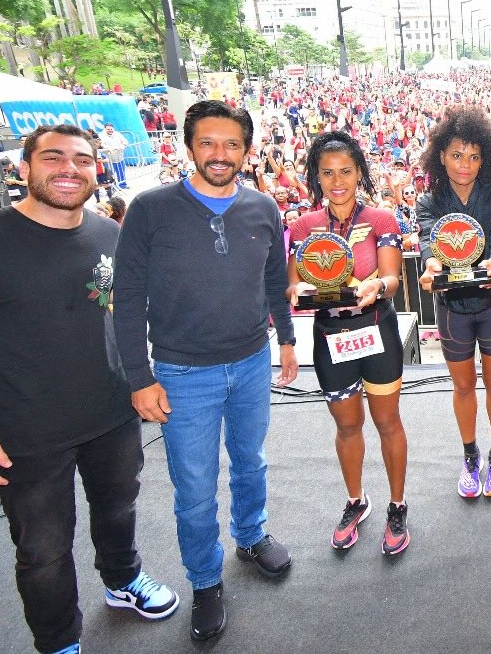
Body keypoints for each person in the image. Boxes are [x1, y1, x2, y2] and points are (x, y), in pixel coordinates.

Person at [0, 125, 178, 654]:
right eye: (53, 157)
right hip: (23, 434)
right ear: (23, 167)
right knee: (44, 550)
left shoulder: (108, 234)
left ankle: (123, 582)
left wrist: (141, 379)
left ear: (96, 170)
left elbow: (120, 315)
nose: (69, 169)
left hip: (111, 415)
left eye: (82, 160)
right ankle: (58, 641)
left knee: (119, 510)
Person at [114, 101, 298, 642]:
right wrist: (138, 377)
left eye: (232, 144)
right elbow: (126, 300)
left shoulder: (264, 207)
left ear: (247, 149)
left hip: (251, 362)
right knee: (194, 487)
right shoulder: (149, 210)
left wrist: (286, 338)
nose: (220, 155)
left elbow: (273, 284)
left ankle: (251, 535)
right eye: (209, 143)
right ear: (188, 146)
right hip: (180, 373)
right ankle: (204, 580)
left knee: (251, 461)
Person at [289, 131, 411, 556]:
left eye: (345, 171)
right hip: (330, 337)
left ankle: (398, 506)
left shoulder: (382, 220)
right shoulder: (303, 227)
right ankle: (356, 501)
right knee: (347, 426)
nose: (337, 180)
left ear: (359, 172)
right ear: (316, 177)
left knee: (388, 422)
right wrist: (298, 292)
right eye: (327, 173)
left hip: (376, 331)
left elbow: (392, 280)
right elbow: (295, 287)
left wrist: (378, 283)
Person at [415, 106, 491, 500]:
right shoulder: (428, 200)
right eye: (457, 155)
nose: (465, 165)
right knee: (463, 386)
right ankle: (470, 455)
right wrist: (431, 262)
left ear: (485, 158)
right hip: (452, 308)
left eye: (474, 156)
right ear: (441, 156)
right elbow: (426, 240)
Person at [99, 124, 130, 190]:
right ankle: (113, 186)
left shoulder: (118, 134)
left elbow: (125, 141)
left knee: (121, 171)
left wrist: (123, 145)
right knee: (110, 173)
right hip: (110, 158)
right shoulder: (101, 136)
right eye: (108, 129)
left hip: (119, 157)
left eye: (111, 129)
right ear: (105, 129)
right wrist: (109, 148)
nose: (110, 130)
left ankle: (123, 185)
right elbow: (101, 144)